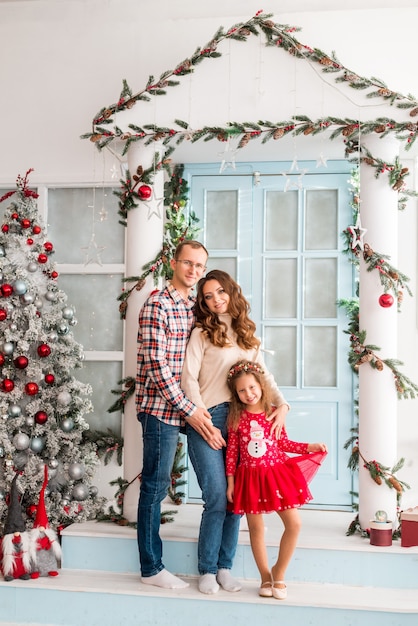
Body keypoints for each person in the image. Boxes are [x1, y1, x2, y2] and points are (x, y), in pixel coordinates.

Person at [181, 269, 290, 595]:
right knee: (216, 496)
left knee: (235, 499)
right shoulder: (201, 333)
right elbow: (189, 378)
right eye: (208, 296)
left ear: (231, 291)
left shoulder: (245, 333)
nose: (215, 300)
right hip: (207, 417)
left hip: (243, 422)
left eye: (220, 292)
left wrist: (282, 404)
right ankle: (206, 570)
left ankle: (225, 568)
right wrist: (202, 420)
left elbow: (262, 375)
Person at [136, 240, 225, 590]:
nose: (193, 271)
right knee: (155, 487)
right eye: (188, 263)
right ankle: (151, 568)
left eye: (200, 266)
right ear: (174, 263)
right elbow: (158, 368)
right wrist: (192, 411)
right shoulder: (158, 304)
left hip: (192, 408)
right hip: (162, 410)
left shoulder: (196, 306)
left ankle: (217, 565)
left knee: (217, 481)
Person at [225, 360, 327, 600]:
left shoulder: (273, 412)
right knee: (256, 528)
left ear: (261, 385)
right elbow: (231, 453)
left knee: (295, 524)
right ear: (235, 393)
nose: (248, 394)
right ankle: (264, 576)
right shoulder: (235, 418)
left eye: (252, 387)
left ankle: (278, 572)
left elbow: (283, 443)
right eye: (242, 390)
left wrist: (308, 447)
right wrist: (231, 482)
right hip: (248, 478)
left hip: (276, 475)